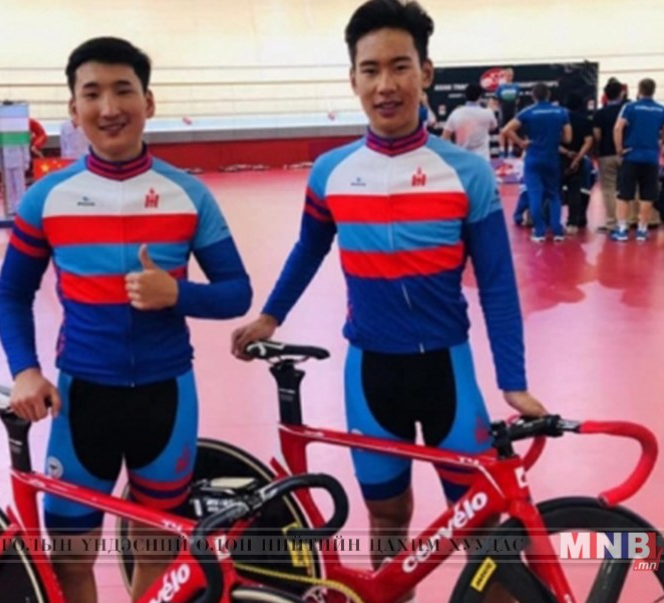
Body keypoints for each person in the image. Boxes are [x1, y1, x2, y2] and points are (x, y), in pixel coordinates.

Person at [231, 3, 545, 601]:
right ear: (352, 78)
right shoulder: (331, 172)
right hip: (371, 372)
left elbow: (498, 284)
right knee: (387, 518)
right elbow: (308, 248)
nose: (385, 85)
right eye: (370, 69)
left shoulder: (467, 174)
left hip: (447, 371)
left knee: (484, 526)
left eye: (400, 66)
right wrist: (271, 315)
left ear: (425, 72)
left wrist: (514, 382)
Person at [0, 36, 252, 603]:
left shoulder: (189, 194)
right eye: (92, 94)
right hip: (82, 399)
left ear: (148, 101)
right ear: (74, 109)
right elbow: (10, 294)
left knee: (156, 551)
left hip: (167, 396)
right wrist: (25, 370)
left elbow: (237, 293)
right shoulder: (46, 198)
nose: (109, 107)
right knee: (71, 559)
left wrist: (176, 294)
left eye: (123, 90)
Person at [501, 83, 572, 242]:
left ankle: (539, 232)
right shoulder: (561, 112)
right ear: (549, 95)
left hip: (533, 158)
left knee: (534, 194)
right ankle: (557, 231)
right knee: (554, 195)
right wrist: (553, 138)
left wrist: (521, 143)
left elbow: (506, 130)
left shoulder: (528, 112)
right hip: (552, 158)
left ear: (533, 96)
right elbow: (568, 138)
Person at [611, 78, 664, 242]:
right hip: (651, 158)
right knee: (647, 195)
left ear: (639, 90)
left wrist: (619, 149)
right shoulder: (663, 110)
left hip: (631, 155)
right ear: (654, 90)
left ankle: (622, 230)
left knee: (624, 195)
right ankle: (642, 230)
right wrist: (657, 138)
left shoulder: (629, 107)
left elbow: (617, 128)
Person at [592, 78, 627, 231]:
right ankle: (629, 220)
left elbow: (597, 135)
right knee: (629, 188)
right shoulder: (628, 111)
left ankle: (612, 222)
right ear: (622, 93)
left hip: (606, 153)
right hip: (626, 153)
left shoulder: (600, 114)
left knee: (608, 189)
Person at [559, 93, 594, 233]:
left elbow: (554, 141)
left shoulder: (560, 120)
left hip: (559, 158)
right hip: (578, 160)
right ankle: (573, 223)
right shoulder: (584, 120)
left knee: (554, 191)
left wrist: (566, 152)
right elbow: (588, 141)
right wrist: (578, 157)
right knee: (575, 191)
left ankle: (552, 221)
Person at [441, 82, 497, 160]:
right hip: (483, 159)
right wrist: (491, 109)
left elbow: (444, 137)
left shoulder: (456, 113)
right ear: (480, 97)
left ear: (465, 96)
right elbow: (493, 127)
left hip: (462, 159)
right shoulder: (488, 113)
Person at [0, 103, 31, 215]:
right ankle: (10, 207)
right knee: (8, 186)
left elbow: (24, 144)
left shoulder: (20, 124)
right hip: (5, 159)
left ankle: (21, 207)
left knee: (20, 185)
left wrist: (26, 159)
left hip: (18, 157)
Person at [495, 68, 521, 157]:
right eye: (507, 75)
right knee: (502, 131)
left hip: (512, 111)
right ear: (504, 76)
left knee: (511, 130)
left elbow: (517, 99)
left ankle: (510, 151)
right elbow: (497, 100)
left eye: (511, 75)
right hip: (503, 111)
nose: (509, 77)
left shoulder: (516, 86)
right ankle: (502, 151)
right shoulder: (500, 87)